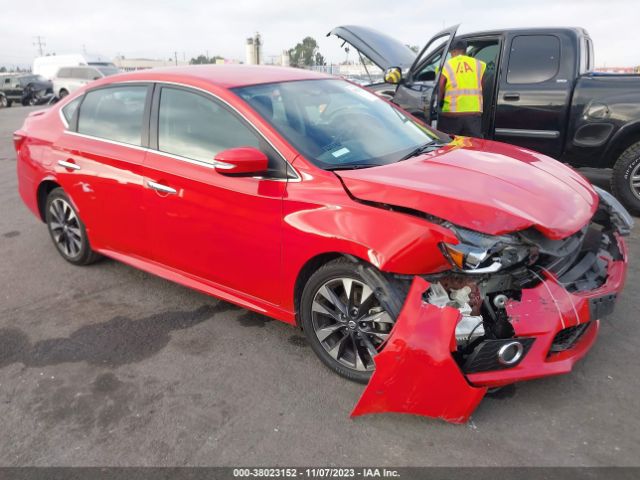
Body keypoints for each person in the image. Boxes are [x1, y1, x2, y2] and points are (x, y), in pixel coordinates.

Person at [437, 39, 486, 138]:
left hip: (451, 115)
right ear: (465, 50)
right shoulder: (479, 64)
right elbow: (481, 86)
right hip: (473, 114)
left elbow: (440, 87)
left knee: (451, 147)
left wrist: (437, 105)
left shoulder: (447, 65)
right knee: (472, 147)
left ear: (453, 51)